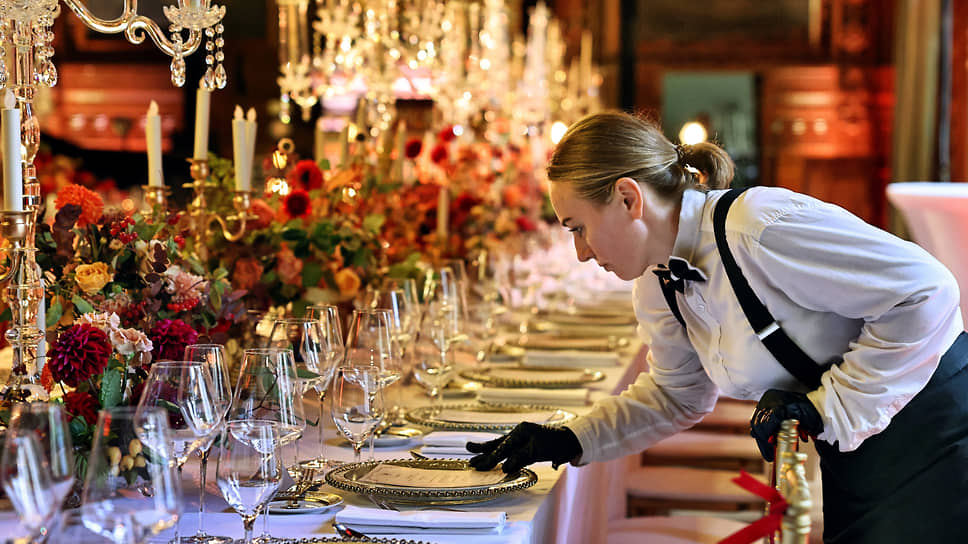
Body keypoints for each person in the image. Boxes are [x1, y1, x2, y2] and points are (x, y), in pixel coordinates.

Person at [466, 111, 968, 543]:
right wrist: (568, 440)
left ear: (627, 198)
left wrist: (828, 407)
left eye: (578, 227)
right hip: (858, 451)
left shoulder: (758, 227)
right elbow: (675, 396)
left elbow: (928, 292)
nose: (581, 252)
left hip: (935, 427)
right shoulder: (657, 282)